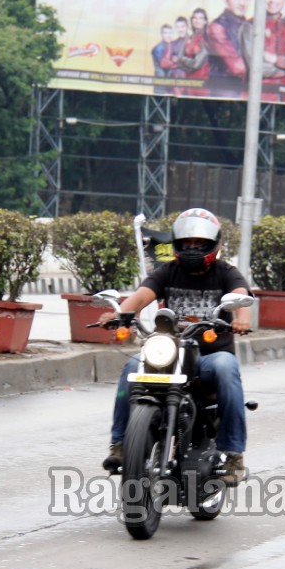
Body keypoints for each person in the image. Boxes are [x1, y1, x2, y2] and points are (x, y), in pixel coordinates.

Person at [101, 208, 253, 485]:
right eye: (187, 243)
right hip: (170, 354)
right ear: (177, 245)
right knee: (131, 368)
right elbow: (140, 297)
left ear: (212, 245)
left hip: (209, 357)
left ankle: (233, 454)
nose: (192, 249)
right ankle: (121, 445)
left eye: (199, 244)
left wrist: (241, 319)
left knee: (226, 367)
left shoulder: (226, 272)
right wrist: (118, 315)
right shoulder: (167, 272)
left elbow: (240, 296)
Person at [206, 0, 252, 97]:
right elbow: (238, 67)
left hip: (246, 95)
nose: (242, 3)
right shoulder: (216, 27)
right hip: (225, 96)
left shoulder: (249, 25)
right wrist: (278, 64)